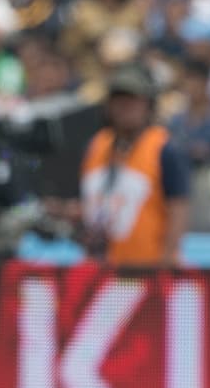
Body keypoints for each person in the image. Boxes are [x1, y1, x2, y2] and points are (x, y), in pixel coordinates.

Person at [79, 64, 190, 267]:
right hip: (100, 269)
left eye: (133, 100)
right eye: (118, 99)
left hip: (147, 268)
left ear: (149, 105)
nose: (124, 106)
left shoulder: (164, 148)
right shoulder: (96, 144)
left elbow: (178, 208)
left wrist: (168, 259)